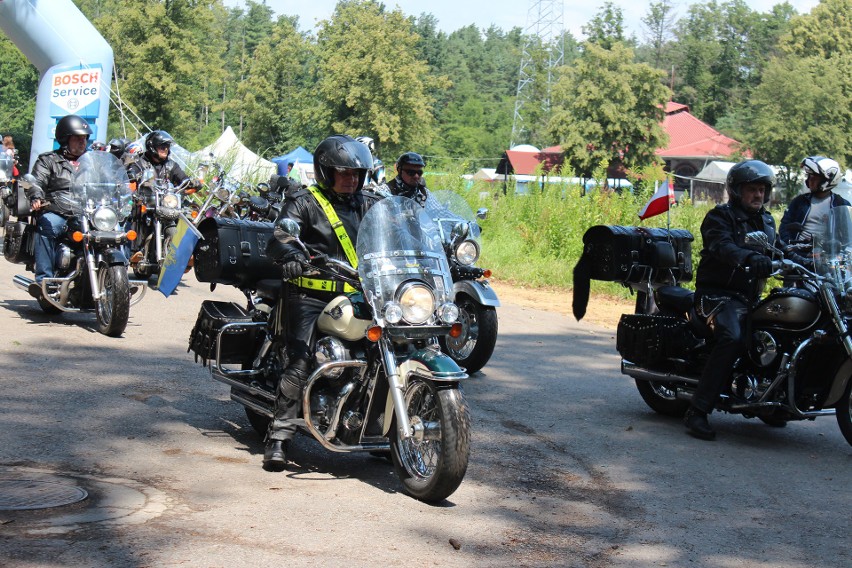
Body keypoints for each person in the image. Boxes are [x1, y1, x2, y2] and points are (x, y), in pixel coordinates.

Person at [263, 134, 378, 471]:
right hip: (310, 291)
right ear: (327, 172)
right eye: (345, 173)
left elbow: (396, 228)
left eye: (357, 174)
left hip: (358, 291)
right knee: (300, 359)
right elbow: (281, 237)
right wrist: (290, 254)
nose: (352, 179)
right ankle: (280, 435)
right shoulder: (304, 201)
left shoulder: (368, 202)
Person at [686, 159, 784, 441]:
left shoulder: (766, 220)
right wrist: (750, 257)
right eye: (752, 189)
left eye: (762, 190)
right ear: (736, 191)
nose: (758, 195)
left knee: (776, 332)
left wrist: (806, 259)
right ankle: (697, 410)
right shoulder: (719, 217)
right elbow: (722, 246)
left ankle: (769, 400)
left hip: (749, 297)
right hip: (717, 296)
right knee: (732, 336)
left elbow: (777, 249)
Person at [26, 115, 92, 296]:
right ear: (65, 139)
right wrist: (36, 195)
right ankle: (44, 281)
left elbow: (107, 183)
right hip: (58, 210)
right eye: (77, 138)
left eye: (84, 138)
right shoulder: (48, 160)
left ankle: (118, 277)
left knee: (115, 231)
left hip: (87, 212)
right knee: (47, 225)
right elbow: (36, 182)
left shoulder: (91, 163)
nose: (82, 143)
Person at [779, 156, 849, 251]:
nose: (810, 180)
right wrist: (789, 246)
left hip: (827, 255)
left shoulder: (841, 204)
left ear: (828, 180)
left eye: (815, 177)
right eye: (810, 176)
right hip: (799, 253)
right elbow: (784, 226)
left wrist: (838, 245)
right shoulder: (799, 201)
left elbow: (848, 236)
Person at [126, 130, 196, 189]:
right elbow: (129, 177)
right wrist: (131, 176)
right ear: (152, 147)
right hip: (145, 201)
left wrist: (192, 183)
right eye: (162, 147)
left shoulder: (171, 165)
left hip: (167, 202)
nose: (166, 149)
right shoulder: (139, 163)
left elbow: (183, 179)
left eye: (167, 146)